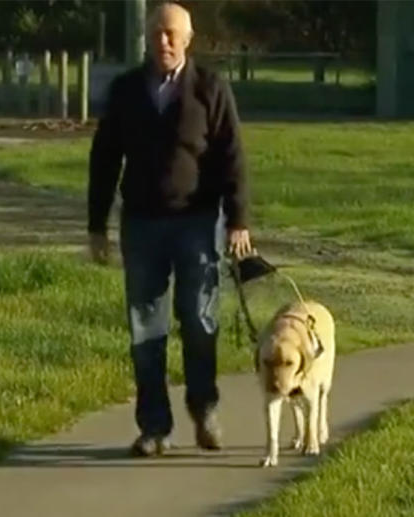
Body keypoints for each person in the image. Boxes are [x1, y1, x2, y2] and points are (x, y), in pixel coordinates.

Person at [87, 2, 252, 457]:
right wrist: (96, 226)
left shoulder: (209, 88)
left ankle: (204, 407)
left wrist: (238, 219)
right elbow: (103, 159)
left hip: (198, 222)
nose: (164, 41)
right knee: (146, 330)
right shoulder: (126, 91)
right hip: (142, 225)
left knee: (199, 321)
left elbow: (232, 155)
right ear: (147, 38)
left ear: (188, 39)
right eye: (157, 33)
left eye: (172, 34)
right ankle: (154, 427)